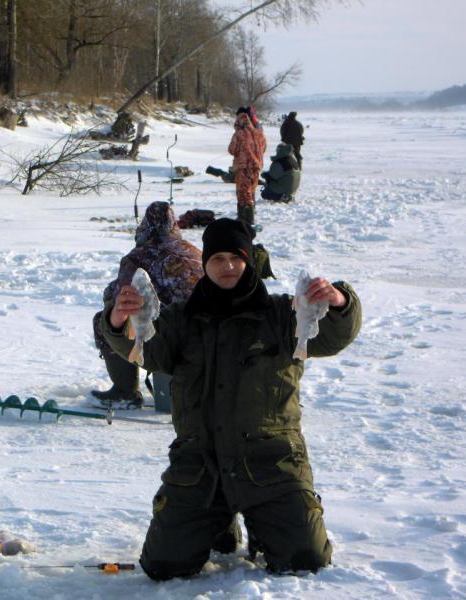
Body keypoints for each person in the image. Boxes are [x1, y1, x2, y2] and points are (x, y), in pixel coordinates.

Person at [101, 218, 361, 580]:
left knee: (306, 560)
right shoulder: (181, 320)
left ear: (249, 261)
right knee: (163, 566)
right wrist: (118, 321)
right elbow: (146, 352)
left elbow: (332, 336)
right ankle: (218, 523)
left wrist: (338, 301)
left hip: (273, 464)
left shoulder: (284, 315)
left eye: (236, 258)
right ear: (205, 263)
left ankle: (265, 523)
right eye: (218, 258)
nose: (228, 266)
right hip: (200, 466)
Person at [91, 201, 203, 406]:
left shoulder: (139, 257)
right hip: (202, 335)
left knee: (104, 320)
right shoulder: (194, 252)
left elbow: (121, 297)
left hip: (165, 338)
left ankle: (125, 390)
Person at [228, 106, 266, 230]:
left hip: (243, 167)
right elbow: (263, 148)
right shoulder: (258, 133)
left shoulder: (239, 133)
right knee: (251, 191)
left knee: (243, 193)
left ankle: (246, 221)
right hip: (256, 167)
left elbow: (232, 149)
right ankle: (248, 219)